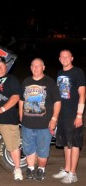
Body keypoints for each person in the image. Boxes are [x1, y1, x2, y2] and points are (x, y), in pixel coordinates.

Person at [19, 58, 61, 181]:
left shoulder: (49, 82)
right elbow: (21, 100)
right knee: (28, 148)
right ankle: (31, 168)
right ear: (30, 68)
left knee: (43, 150)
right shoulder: (26, 81)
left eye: (38, 66)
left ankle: (41, 170)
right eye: (33, 66)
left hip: (44, 125)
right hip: (27, 123)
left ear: (43, 67)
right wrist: (21, 114)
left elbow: (57, 102)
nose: (35, 68)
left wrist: (54, 119)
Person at [52, 49, 85, 184]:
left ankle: (73, 173)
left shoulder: (78, 72)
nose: (64, 59)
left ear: (72, 58)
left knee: (74, 144)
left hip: (73, 114)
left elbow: (83, 94)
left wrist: (79, 115)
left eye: (67, 56)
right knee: (66, 143)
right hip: (62, 114)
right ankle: (66, 169)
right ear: (59, 59)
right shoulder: (60, 73)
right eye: (62, 57)